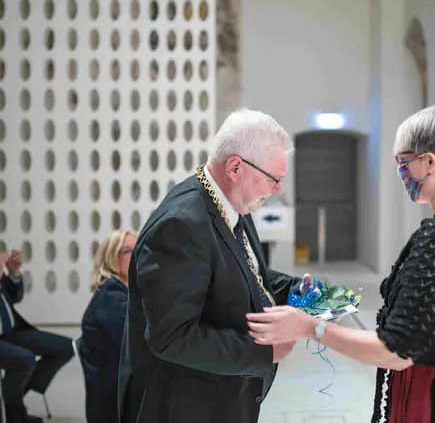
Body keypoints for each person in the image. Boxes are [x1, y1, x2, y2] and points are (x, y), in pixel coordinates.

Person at [246, 105, 435, 423]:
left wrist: (309, 328)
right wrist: (331, 302)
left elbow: (395, 350)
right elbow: (428, 313)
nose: (399, 174)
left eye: (403, 162)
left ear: (430, 162)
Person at [118, 108, 313, 423]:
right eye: (273, 178)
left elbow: (242, 273)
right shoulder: (180, 227)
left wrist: (297, 290)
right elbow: (172, 337)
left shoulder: (232, 203)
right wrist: (262, 352)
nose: (277, 189)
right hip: (183, 406)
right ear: (235, 166)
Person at [0, 250, 74, 423]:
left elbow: (14, 297)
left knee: (65, 347)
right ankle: (14, 412)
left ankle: (12, 398)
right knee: (25, 360)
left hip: (11, 332)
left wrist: (13, 272)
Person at [78, 230, 137, 423]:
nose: (137, 254)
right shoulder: (111, 298)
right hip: (114, 406)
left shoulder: (123, 294)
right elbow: (138, 346)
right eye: (128, 250)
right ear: (111, 257)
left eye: (141, 248)